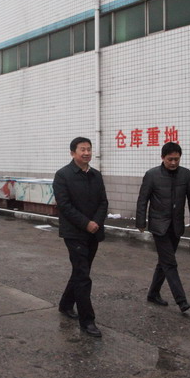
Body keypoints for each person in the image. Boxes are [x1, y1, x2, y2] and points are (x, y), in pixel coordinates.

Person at [135, 141, 190, 314]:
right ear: (162, 157)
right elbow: (143, 199)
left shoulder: (186, 175)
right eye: (170, 159)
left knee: (164, 261)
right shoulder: (152, 175)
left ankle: (153, 293)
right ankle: (181, 300)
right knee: (170, 262)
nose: (173, 162)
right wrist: (141, 222)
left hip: (176, 225)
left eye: (176, 159)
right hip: (159, 225)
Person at [53, 137, 108, 337]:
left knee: (80, 271)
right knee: (83, 275)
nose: (86, 153)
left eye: (89, 149)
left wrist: (96, 222)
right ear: (72, 153)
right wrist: (86, 223)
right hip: (74, 233)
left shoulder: (96, 175)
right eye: (82, 149)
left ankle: (66, 304)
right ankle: (87, 321)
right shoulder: (63, 175)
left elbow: (103, 202)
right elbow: (64, 206)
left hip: (93, 231)